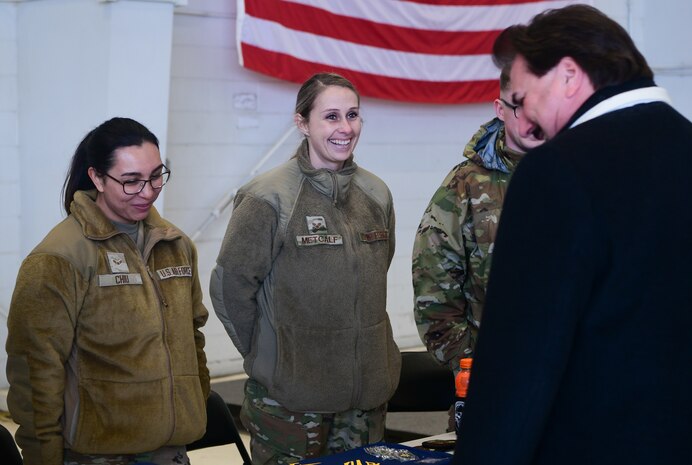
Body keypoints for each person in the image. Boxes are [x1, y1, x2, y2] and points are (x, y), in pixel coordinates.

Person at [453, 5, 692, 465]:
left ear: (568, 75)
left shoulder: (556, 173)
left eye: (522, 99)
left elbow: (519, 371)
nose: (524, 124)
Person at [210, 72, 401, 465]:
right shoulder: (267, 197)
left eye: (353, 115)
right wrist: (272, 357)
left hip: (364, 405)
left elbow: (381, 269)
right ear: (302, 123)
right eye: (331, 116)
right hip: (291, 405)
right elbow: (230, 288)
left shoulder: (376, 194)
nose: (345, 128)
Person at [5, 117, 210, 465]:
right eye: (131, 181)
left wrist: (194, 404)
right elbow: (34, 368)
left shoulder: (175, 244)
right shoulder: (60, 257)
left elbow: (192, 336)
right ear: (97, 178)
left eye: (156, 176)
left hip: (171, 450)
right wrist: (44, 455)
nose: (148, 191)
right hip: (98, 455)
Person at [412, 67, 543, 377]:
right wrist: (467, 364)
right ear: (500, 109)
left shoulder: (573, 173)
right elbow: (434, 287)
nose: (532, 118)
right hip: (493, 372)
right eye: (520, 106)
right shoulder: (466, 185)